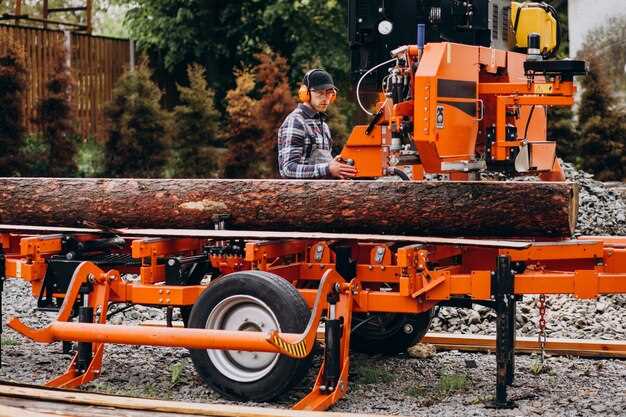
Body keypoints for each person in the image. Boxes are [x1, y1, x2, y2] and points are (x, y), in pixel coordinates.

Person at [277, 69, 357, 179]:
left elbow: (318, 165)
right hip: (300, 195)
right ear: (305, 93)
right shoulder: (296, 121)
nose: (325, 98)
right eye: (320, 93)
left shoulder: (323, 126)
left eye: (329, 93)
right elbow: (288, 169)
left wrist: (334, 166)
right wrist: (328, 168)